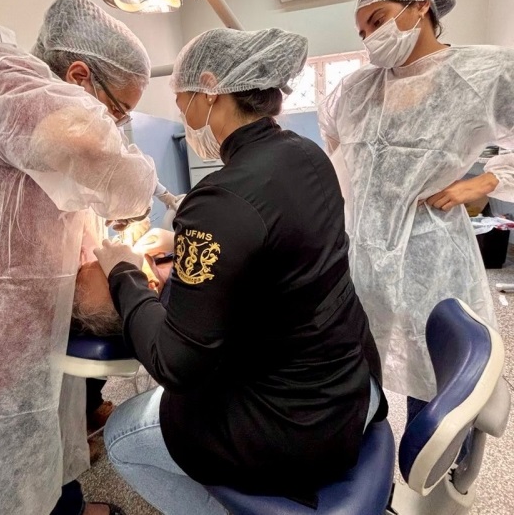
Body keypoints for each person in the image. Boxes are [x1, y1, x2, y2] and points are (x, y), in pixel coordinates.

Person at [93, 27, 387, 514]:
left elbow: (175, 363)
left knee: (123, 436)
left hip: (297, 428)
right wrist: (184, 241)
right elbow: (279, 240)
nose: (183, 115)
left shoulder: (220, 199)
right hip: (352, 387)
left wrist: (123, 273)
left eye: (182, 101)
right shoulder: (306, 153)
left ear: (210, 88)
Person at [0, 0, 157, 515]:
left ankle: (66, 504)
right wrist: (142, 198)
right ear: (79, 75)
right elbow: (117, 176)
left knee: (37, 445)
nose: (117, 126)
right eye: (118, 111)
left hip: (5, 323)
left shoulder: (6, 100)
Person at [318, 0, 514, 420]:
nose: (371, 37)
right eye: (363, 30)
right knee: (363, 357)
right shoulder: (357, 87)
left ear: (421, 6)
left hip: (432, 250)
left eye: (378, 19)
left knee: (435, 366)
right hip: (365, 248)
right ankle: (366, 440)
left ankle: (437, 449)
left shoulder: (483, 72)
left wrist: (485, 181)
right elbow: (334, 140)